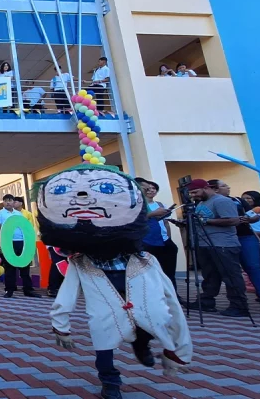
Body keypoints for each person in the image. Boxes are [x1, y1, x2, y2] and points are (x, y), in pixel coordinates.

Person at [36, 164, 191, 399]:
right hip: (101, 294)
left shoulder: (145, 260)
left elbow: (171, 301)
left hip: (133, 277)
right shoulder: (81, 262)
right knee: (103, 336)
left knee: (154, 315)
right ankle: (110, 381)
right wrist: (60, 323)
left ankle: (142, 342)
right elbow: (66, 292)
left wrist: (178, 349)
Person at [186, 179, 249, 317]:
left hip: (224, 244)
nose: (193, 196)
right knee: (209, 275)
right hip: (205, 244)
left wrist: (205, 221)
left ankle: (239, 306)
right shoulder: (201, 203)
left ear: (206, 188)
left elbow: (233, 220)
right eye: (191, 193)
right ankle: (206, 302)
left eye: (195, 192)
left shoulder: (222, 201)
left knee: (231, 276)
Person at [208, 180, 260, 303]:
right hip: (222, 240)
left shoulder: (238, 200)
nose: (228, 187)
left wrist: (249, 219)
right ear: (215, 189)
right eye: (224, 186)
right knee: (230, 271)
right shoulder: (206, 203)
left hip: (245, 237)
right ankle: (236, 300)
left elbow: (254, 216)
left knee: (253, 266)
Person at [135, 178, 179, 292]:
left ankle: (173, 295)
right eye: (146, 188)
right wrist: (153, 214)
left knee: (168, 272)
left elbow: (161, 222)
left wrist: (168, 238)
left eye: (152, 188)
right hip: (146, 242)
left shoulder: (158, 204)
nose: (149, 191)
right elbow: (132, 220)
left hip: (163, 241)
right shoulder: (133, 202)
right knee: (148, 274)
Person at [0, 194, 41, 298]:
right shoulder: (0, 214)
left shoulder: (19, 214)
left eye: (10, 200)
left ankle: (28, 290)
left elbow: (23, 228)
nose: (8, 202)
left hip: (21, 241)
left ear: (13, 202)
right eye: (6, 200)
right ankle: (9, 290)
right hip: (8, 243)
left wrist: (27, 242)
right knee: (10, 268)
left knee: (25, 266)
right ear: (3, 202)